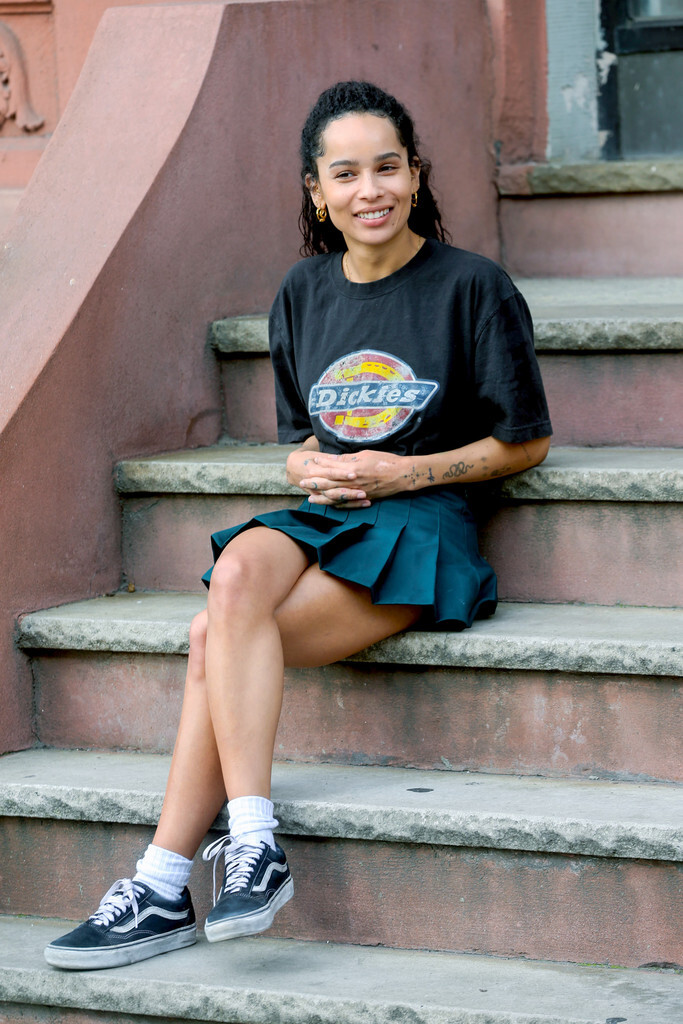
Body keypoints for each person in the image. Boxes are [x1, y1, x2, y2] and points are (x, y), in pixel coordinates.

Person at [44, 80, 551, 971]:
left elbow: (527, 442)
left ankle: (164, 882)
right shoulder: (302, 292)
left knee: (214, 639)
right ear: (316, 191)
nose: (370, 191)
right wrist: (301, 468)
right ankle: (251, 842)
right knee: (236, 575)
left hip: (421, 525)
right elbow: (308, 438)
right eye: (345, 174)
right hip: (331, 513)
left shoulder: (473, 286)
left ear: (415, 173)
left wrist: (409, 471)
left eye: (386, 168)